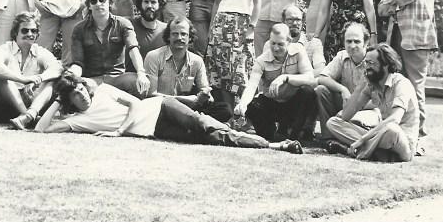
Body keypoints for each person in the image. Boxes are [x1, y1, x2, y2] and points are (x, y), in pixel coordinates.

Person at [34, 72, 303, 154]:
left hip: (160, 108)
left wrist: (118, 131)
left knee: (203, 123)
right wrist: (58, 99)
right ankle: (277, 145)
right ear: (70, 101)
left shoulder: (103, 91)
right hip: (155, 131)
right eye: (75, 94)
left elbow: (137, 103)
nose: (81, 93)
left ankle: (275, 144)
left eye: (81, 88)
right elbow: (41, 131)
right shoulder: (77, 121)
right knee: (209, 139)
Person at [379, 0, 437, 137]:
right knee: (396, 85)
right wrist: (392, 1)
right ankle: (400, 131)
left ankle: (419, 134)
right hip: (393, 36)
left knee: (415, 86)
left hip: (416, 36)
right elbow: (381, 9)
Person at [326, 44, 419, 162]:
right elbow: (346, 116)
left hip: (401, 141)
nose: (367, 68)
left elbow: (394, 119)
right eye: (366, 63)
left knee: (391, 129)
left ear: (385, 65)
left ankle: (360, 151)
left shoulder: (401, 83)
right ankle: (378, 153)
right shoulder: (372, 85)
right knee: (333, 122)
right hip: (380, 137)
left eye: (371, 63)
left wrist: (362, 139)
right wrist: (360, 87)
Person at [204, 0, 261, 121]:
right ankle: (228, 116)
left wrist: (252, 26)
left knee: (241, 69)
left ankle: (244, 115)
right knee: (222, 72)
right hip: (221, 24)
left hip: (241, 25)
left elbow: (257, 2)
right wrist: (212, 26)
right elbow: (217, 2)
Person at [234, 24, 318, 141]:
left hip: (293, 105)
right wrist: (243, 104)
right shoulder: (262, 60)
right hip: (273, 104)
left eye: (280, 44)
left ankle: (295, 135)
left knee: (308, 92)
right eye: (273, 43)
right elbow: (252, 86)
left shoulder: (298, 51)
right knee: (252, 105)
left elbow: (310, 79)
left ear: (289, 41)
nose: (276, 48)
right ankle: (271, 135)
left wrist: (285, 78)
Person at [67, 0, 151, 97]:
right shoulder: (79, 29)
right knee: (71, 87)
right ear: (89, 5)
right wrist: (72, 76)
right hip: (92, 81)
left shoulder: (123, 24)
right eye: (93, 1)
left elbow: (133, 49)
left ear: (110, 2)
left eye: (102, 0)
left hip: (117, 79)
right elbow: (78, 63)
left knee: (139, 84)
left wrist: (141, 73)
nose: (98, 4)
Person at [0, 12, 63, 130]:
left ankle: (28, 117)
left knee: (51, 81)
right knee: (3, 77)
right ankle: (27, 116)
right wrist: (23, 80)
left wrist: (40, 78)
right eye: (25, 31)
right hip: (4, 108)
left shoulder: (40, 51)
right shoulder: (5, 49)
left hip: (32, 104)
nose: (30, 34)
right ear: (15, 33)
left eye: (33, 31)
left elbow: (58, 68)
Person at [315, 23, 381, 145]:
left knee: (359, 121)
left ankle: (357, 139)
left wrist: (353, 107)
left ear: (366, 43)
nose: (352, 45)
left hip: (367, 108)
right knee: (321, 90)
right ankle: (328, 139)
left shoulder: (375, 60)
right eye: (348, 41)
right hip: (345, 103)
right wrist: (342, 89)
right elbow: (322, 77)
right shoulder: (342, 56)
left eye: (357, 41)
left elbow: (379, 100)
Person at [144, 17, 210, 109]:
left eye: (183, 34)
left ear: (190, 37)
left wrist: (206, 96)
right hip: (161, 107)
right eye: (175, 34)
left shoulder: (197, 61)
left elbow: (204, 89)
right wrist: (185, 99)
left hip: (188, 107)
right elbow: (151, 95)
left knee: (224, 109)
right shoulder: (154, 57)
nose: (179, 38)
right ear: (168, 36)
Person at [125, 0, 168, 71]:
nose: (149, 6)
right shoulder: (128, 26)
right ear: (140, 4)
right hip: (132, 78)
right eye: (146, 2)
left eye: (153, 2)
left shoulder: (166, 30)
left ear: (160, 4)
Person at [279, 5, 325, 75]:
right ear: (283, 21)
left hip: (305, 83)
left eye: (298, 20)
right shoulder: (276, 43)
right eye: (290, 20)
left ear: (303, 21)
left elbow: (320, 70)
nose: (294, 23)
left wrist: (297, 80)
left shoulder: (313, 42)